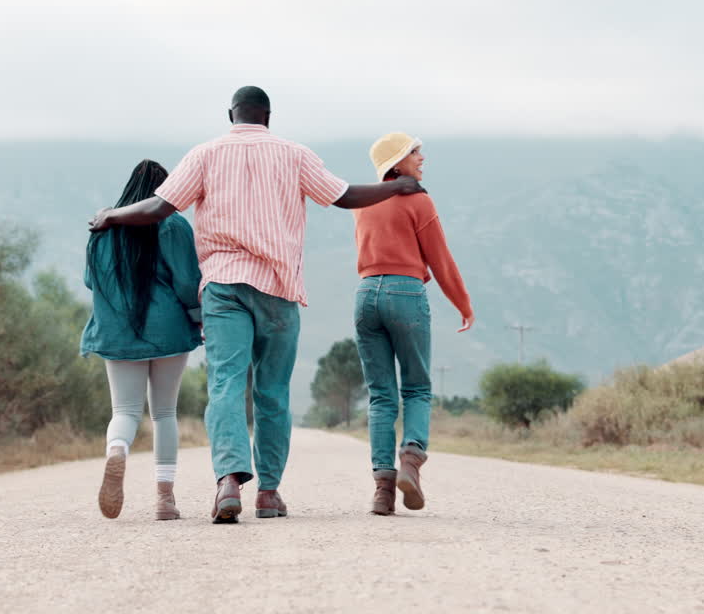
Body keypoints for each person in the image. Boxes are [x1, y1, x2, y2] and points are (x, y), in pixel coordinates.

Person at [88, 86, 423, 524]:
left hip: (224, 286)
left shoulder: (204, 155)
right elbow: (343, 196)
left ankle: (228, 481)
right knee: (272, 392)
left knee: (226, 384)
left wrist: (113, 214)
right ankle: (268, 493)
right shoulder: (294, 154)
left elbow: (159, 206)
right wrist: (397, 185)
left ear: (232, 114)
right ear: (269, 116)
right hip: (278, 288)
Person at [352, 132, 474, 515]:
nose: (422, 157)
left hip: (366, 292)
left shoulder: (364, 202)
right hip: (405, 291)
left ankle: (383, 491)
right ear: (397, 162)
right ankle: (411, 459)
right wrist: (463, 305)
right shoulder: (419, 201)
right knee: (417, 387)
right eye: (414, 152)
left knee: (381, 395)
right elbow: (440, 260)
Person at [82, 159, 203, 521]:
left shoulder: (104, 226)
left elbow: (91, 281)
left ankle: (117, 452)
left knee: (125, 411)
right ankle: (165, 499)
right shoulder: (172, 224)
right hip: (167, 328)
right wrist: (198, 319)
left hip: (117, 330)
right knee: (164, 413)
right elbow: (186, 282)